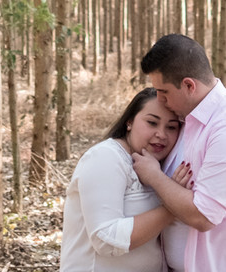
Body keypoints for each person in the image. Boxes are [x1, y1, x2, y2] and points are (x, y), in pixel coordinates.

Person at [130, 34, 226, 272]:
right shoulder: (186, 120)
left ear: (189, 85)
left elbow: (203, 216)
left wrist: (154, 176)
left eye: (163, 91)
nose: (159, 98)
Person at [60, 87, 184, 272]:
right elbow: (105, 239)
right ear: (129, 122)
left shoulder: (160, 166)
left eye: (171, 127)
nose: (161, 134)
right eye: (152, 123)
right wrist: (175, 207)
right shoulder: (105, 157)